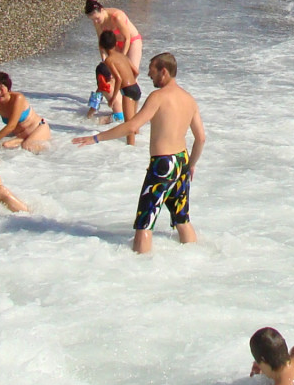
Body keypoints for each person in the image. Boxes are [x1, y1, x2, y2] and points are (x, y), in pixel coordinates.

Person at [72, 52, 205, 254]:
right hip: (181, 162)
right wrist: (191, 165)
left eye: (152, 72)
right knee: (181, 219)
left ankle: (140, 270)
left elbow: (132, 126)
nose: (149, 76)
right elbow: (201, 138)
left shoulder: (158, 97)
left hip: (162, 165)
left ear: (164, 71)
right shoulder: (189, 99)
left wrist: (97, 137)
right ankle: (197, 259)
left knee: (145, 222)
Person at [0, 71, 50, 152]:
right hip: (21, 136)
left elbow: (11, 126)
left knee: (27, 147)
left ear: (8, 88)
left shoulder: (18, 98)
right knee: (5, 145)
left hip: (38, 128)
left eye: (1, 89)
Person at [97, 29, 141, 143]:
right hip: (136, 88)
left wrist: (113, 98)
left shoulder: (109, 60)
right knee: (135, 125)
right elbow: (136, 72)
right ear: (116, 43)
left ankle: (131, 150)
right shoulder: (123, 56)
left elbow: (118, 79)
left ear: (101, 45)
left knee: (128, 127)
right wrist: (131, 81)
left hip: (127, 91)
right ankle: (137, 154)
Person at [85, 0, 143, 71]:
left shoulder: (117, 17)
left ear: (102, 10)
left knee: (131, 72)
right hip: (116, 44)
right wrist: (104, 59)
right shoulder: (96, 22)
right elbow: (101, 41)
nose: (95, 21)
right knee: (116, 72)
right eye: (93, 19)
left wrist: (122, 57)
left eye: (97, 18)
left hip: (132, 41)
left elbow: (127, 38)